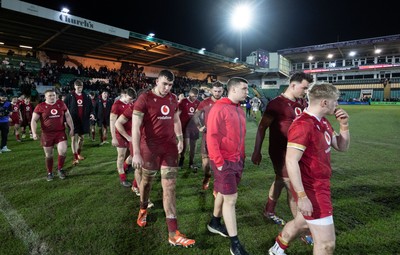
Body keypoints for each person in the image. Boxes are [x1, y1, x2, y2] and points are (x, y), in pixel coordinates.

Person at [268, 83, 350, 255]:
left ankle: (277, 248)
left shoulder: (323, 122)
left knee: (302, 222)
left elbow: (341, 146)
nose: (337, 105)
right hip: (312, 189)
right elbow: (291, 161)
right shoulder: (303, 125)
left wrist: (344, 126)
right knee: (326, 244)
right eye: (335, 101)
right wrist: (302, 196)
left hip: (321, 185)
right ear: (324, 103)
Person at [131, 70, 195, 247]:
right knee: (146, 183)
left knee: (170, 187)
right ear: (157, 81)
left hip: (169, 148)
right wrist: (136, 151)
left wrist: (180, 138)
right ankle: (143, 207)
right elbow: (136, 128)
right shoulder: (144, 99)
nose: (167, 88)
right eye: (164, 84)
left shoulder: (173, 98)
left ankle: (173, 233)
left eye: (170, 85)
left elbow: (175, 120)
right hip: (149, 148)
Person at [252, 72, 314, 227]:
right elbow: (262, 127)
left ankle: (269, 210)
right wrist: (256, 151)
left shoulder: (302, 103)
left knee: (280, 180)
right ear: (293, 85)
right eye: (304, 88)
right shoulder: (276, 104)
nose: (305, 91)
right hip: (281, 152)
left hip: (297, 151)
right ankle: (300, 227)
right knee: (293, 189)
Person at [206, 77, 249, 255]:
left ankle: (214, 223)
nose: (247, 92)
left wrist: (242, 156)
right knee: (231, 199)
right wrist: (219, 162)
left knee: (224, 194)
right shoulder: (219, 108)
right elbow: (212, 136)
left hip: (237, 160)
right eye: (244, 89)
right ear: (233, 90)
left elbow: (240, 136)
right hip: (224, 161)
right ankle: (235, 244)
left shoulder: (239, 109)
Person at [31, 89, 74, 181]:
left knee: (63, 151)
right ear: (45, 97)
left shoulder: (61, 104)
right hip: (47, 134)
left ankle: (60, 169)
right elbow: (34, 120)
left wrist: (72, 128)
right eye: (50, 95)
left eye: (53, 95)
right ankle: (49, 172)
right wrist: (34, 133)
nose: (52, 97)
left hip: (60, 132)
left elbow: (68, 116)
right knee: (49, 155)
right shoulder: (40, 106)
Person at [192, 81, 224, 190]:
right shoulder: (205, 102)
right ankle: (207, 177)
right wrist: (199, 127)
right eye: (215, 91)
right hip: (208, 136)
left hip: (222, 137)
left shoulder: (226, 102)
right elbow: (196, 116)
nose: (217, 93)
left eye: (219, 91)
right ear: (211, 91)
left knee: (220, 162)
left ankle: (218, 185)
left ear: (223, 91)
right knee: (205, 161)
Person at [64, 79, 95, 166]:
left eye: (81, 88)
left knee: (81, 138)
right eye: (78, 88)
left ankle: (78, 154)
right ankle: (75, 158)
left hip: (83, 121)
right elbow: (63, 107)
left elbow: (91, 107)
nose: (79, 89)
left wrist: (92, 114)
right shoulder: (70, 96)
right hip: (73, 121)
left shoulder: (86, 96)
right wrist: (64, 120)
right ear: (74, 87)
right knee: (74, 138)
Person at [110, 88, 136, 187]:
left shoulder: (130, 104)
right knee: (121, 156)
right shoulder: (116, 105)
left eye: (132, 100)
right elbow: (112, 122)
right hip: (120, 134)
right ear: (124, 94)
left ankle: (124, 166)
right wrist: (113, 137)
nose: (131, 101)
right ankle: (123, 178)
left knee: (134, 154)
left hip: (130, 133)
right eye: (129, 99)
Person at [177, 87, 200, 171]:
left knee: (193, 146)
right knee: (185, 145)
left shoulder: (198, 103)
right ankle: (181, 160)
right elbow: (177, 114)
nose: (195, 98)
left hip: (194, 128)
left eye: (196, 96)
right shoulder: (183, 102)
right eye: (193, 96)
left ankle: (191, 163)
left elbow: (199, 116)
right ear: (189, 94)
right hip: (184, 127)